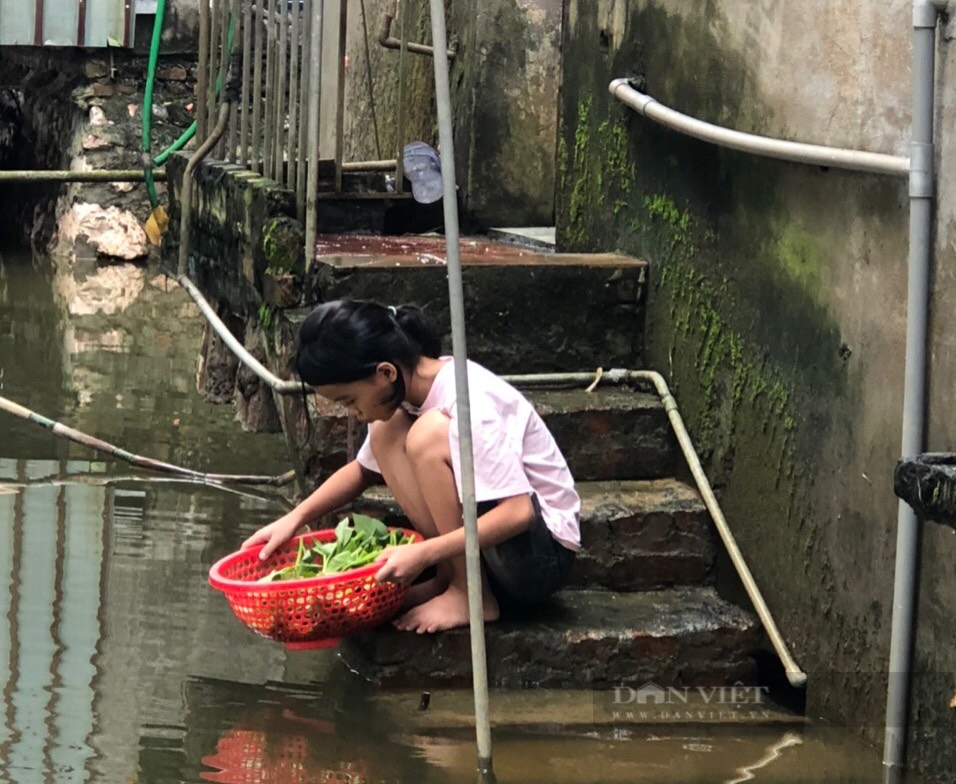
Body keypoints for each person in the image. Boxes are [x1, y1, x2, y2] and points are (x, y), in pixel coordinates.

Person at [241, 299, 581, 634]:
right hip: (492, 555)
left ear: (385, 373)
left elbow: (519, 513)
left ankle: (469, 595)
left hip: (537, 559)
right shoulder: (407, 396)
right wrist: (295, 518)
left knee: (426, 435)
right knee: (385, 431)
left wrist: (424, 553)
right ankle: (450, 580)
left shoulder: (467, 397)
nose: (352, 413)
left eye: (349, 401)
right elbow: (362, 472)